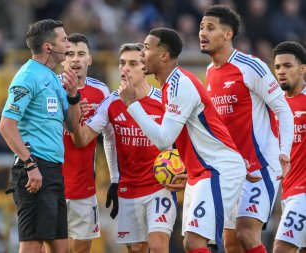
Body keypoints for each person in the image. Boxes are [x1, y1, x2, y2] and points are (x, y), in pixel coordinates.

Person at [118, 28, 247, 253]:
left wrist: (132, 105)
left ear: (164, 56)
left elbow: (163, 139)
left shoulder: (181, 84)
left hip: (217, 169)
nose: (141, 55)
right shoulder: (169, 85)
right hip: (201, 172)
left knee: (196, 241)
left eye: (147, 49)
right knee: (194, 244)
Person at [199, 5, 294, 253]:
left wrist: (284, 152)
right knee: (230, 242)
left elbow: (283, 109)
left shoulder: (251, 66)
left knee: (246, 232)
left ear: (228, 34)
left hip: (261, 164)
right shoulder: (210, 72)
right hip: (233, 170)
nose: (202, 33)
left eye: (210, 28)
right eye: (201, 27)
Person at [71, 43, 177, 253]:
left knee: (157, 246)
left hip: (160, 186)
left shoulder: (164, 101)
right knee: (136, 249)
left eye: (132, 63)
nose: (125, 68)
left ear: (145, 67)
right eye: (122, 63)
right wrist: (75, 115)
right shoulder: (111, 103)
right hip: (129, 189)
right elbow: (82, 140)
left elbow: (184, 140)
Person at [0, 19, 81, 253]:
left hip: (53, 170)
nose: (68, 44)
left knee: (60, 247)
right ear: (48, 47)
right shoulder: (27, 76)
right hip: (35, 169)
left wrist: (73, 95)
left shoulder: (55, 79)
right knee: (33, 245)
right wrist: (30, 164)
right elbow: (6, 126)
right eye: (63, 39)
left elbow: (73, 126)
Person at [59, 33, 118, 253]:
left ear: (89, 60)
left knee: (82, 248)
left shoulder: (101, 91)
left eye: (80, 54)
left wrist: (115, 178)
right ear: (63, 59)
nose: (75, 59)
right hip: (53, 184)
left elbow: (110, 137)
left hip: (84, 187)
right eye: (69, 54)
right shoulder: (50, 88)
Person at [272, 41, 306, 253]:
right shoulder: (275, 107)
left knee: (281, 248)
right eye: (277, 67)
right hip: (288, 192)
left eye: (287, 66)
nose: (281, 72)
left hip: (303, 193)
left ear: (302, 69)